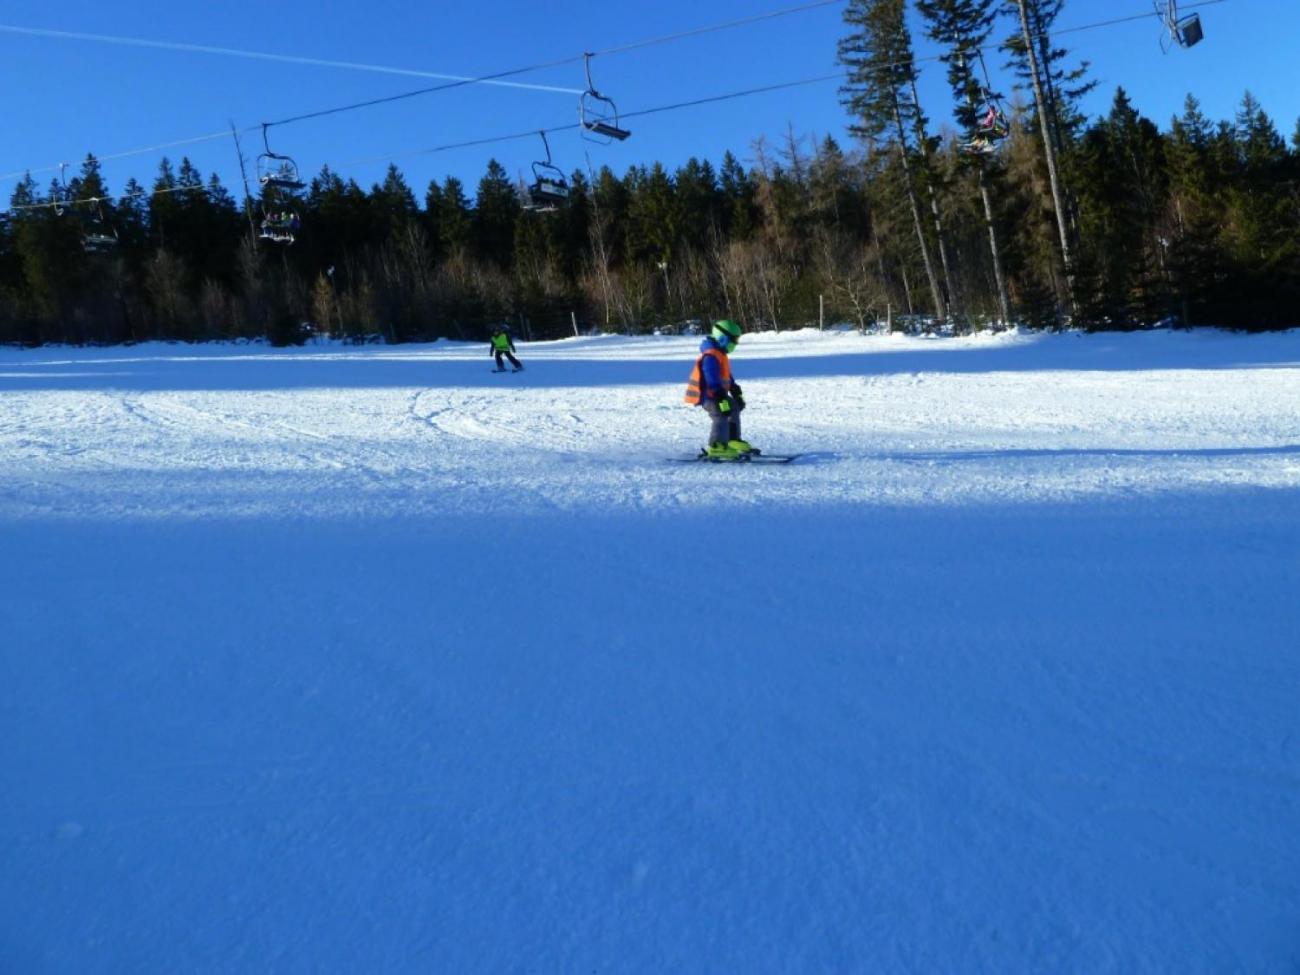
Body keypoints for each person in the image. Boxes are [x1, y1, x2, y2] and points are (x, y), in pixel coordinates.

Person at [683, 319, 755, 460]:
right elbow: (711, 376)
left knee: (733, 408)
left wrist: (735, 390)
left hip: (717, 394)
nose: (736, 343)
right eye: (734, 340)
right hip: (709, 396)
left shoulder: (720, 354)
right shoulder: (710, 355)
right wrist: (720, 396)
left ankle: (732, 440)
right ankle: (716, 446)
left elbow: (726, 375)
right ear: (723, 338)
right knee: (720, 415)